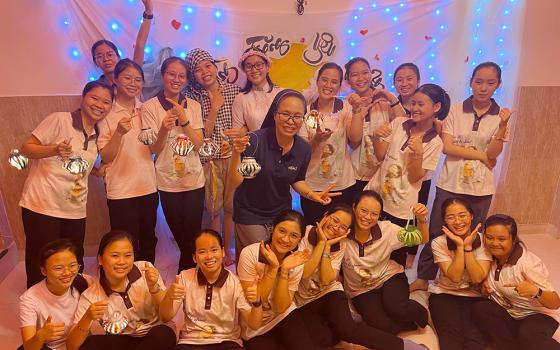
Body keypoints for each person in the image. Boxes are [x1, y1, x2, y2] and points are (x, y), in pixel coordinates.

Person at [412, 62, 514, 291]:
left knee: (475, 235)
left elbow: (494, 154)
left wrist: (502, 127)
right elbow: (448, 147)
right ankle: (423, 277)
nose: (483, 88)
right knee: (437, 231)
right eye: (478, 81)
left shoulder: (501, 115)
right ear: (471, 82)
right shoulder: (456, 110)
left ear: (498, 84)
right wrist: (481, 155)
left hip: (480, 187)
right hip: (450, 181)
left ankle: (473, 278)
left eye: (490, 82)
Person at [19, 80, 114, 287]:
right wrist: (53, 149)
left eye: (106, 102)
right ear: (83, 98)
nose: (99, 105)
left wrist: (96, 171)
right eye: (94, 98)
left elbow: (78, 166)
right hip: (42, 205)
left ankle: (68, 300)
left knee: (72, 258)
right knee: (42, 259)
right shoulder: (60, 120)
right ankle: (39, 307)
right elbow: (26, 148)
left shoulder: (98, 134)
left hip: (74, 208)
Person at [296, 203, 427, 350]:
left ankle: (409, 347)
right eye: (334, 220)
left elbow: (327, 280)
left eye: (343, 227)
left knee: (351, 330)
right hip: (306, 299)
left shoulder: (341, 243)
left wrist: (421, 220)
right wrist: (322, 243)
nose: (336, 227)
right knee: (322, 339)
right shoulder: (307, 233)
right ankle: (345, 323)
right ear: (326, 215)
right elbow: (305, 273)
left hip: (331, 292)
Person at [229, 89, 339, 257]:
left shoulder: (303, 148)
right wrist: (237, 153)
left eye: (297, 116)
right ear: (275, 115)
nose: (290, 121)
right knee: (259, 259)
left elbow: (297, 180)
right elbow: (235, 182)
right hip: (250, 213)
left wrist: (311, 194)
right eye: (285, 114)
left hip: (281, 214)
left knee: (280, 261)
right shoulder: (255, 142)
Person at [365, 84, 448, 267]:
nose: (415, 108)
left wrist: (417, 153)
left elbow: (415, 178)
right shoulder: (398, 123)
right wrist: (377, 137)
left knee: (395, 255)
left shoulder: (435, 142)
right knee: (371, 244)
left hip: (401, 207)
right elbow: (380, 157)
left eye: (421, 104)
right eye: (413, 103)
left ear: (436, 107)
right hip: (377, 196)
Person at [142, 56, 205, 271]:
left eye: (181, 76)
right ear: (163, 75)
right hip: (167, 180)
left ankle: (185, 272)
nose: (176, 79)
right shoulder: (149, 107)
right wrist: (163, 128)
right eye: (171, 74)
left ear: (186, 80)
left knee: (193, 231)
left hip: (194, 179)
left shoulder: (194, 106)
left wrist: (184, 120)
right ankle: (189, 271)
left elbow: (198, 145)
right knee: (179, 232)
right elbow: (153, 150)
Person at [66, 231, 176, 350]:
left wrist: (154, 287)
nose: (122, 262)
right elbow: (72, 346)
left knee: (163, 334)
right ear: (100, 259)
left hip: (154, 335)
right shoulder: (91, 295)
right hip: (123, 339)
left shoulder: (145, 269)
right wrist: (87, 317)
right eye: (115, 256)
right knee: (90, 344)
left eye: (128, 255)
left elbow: (166, 316)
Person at [159, 229, 263, 349]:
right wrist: (169, 296)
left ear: (223, 252)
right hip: (190, 342)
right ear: (194, 257)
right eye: (202, 252)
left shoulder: (235, 282)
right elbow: (165, 317)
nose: (209, 256)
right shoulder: (185, 277)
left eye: (214, 250)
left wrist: (257, 302)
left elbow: (254, 324)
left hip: (227, 341)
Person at [97, 58, 158, 263]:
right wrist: (118, 133)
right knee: (125, 242)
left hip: (148, 185)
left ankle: (149, 278)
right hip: (120, 189)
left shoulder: (147, 109)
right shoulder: (106, 112)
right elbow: (105, 156)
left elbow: (156, 146)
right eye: (128, 78)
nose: (133, 83)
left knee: (149, 237)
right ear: (115, 79)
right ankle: (129, 283)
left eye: (138, 79)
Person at [344, 191, 429, 335]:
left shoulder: (387, 230)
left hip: (389, 276)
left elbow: (421, 239)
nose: (367, 217)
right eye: (363, 210)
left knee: (397, 308)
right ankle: (406, 322)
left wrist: (421, 220)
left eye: (374, 214)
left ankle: (423, 314)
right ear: (354, 208)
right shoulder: (343, 232)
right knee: (384, 327)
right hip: (361, 289)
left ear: (379, 216)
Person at [184, 48, 240, 266]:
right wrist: (214, 109)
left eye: (208, 66)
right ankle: (216, 252)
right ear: (193, 75)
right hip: (209, 161)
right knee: (214, 210)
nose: (204, 72)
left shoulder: (234, 91)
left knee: (231, 208)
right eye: (197, 70)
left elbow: (242, 124)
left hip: (233, 157)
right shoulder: (192, 97)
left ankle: (228, 250)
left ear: (216, 67)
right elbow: (202, 134)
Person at [472, 214, 560, 350]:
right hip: (512, 313)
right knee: (480, 309)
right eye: (489, 237)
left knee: (528, 336)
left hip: (538, 315)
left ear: (513, 240)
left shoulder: (527, 264)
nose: (494, 243)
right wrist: (484, 290)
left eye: (502, 239)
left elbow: (555, 302)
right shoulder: (487, 255)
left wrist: (535, 291)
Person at [236, 210, 315, 350]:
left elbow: (281, 307)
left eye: (294, 236)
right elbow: (255, 300)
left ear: (300, 239)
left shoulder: (296, 261)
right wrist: (273, 269)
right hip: (255, 322)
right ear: (273, 229)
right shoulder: (250, 254)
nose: (285, 239)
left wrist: (284, 270)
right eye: (282, 231)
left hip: (282, 316)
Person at [297, 62, 357, 226]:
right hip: (313, 184)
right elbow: (301, 152)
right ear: (317, 81)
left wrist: (358, 112)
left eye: (334, 82)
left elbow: (355, 140)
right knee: (314, 229)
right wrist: (316, 140)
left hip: (343, 183)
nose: (328, 85)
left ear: (339, 85)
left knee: (339, 229)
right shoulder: (306, 111)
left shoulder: (346, 108)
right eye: (324, 80)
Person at [428, 198, 492, 350]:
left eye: (462, 215)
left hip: (474, 296)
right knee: (450, 337)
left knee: (474, 338)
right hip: (444, 294)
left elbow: (477, 277)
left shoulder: (484, 241)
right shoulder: (438, 242)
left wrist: (468, 247)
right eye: (450, 217)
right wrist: (459, 246)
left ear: (471, 215)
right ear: (444, 220)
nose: (457, 221)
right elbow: (455, 277)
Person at [19, 240, 92, 350]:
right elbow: (28, 347)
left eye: (72, 265)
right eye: (58, 268)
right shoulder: (29, 299)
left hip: (80, 343)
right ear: (44, 271)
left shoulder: (85, 281)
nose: (67, 273)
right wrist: (40, 336)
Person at [344, 57, 392, 197]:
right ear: (348, 80)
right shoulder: (346, 105)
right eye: (354, 74)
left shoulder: (385, 100)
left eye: (365, 72)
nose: (361, 78)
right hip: (354, 174)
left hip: (383, 174)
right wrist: (357, 111)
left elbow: (402, 125)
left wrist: (392, 100)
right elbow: (353, 142)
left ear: (371, 74)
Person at [91, 0, 154, 87]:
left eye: (109, 54)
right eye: (100, 56)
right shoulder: (97, 88)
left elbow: (140, 44)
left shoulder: (132, 74)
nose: (106, 59)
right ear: (96, 62)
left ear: (118, 57)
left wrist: (148, 12)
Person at [232, 48, 283, 132]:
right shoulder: (241, 99)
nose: (254, 70)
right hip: (255, 144)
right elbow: (237, 135)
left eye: (259, 65)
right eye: (248, 66)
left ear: (267, 66)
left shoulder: (281, 94)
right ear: (244, 70)